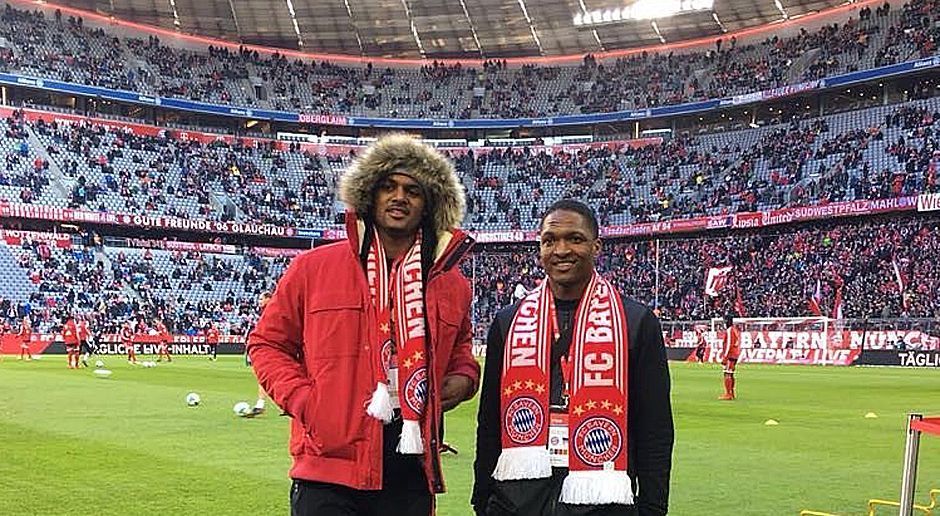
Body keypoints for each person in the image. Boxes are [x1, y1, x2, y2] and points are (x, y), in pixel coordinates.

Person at [248, 133, 480, 516]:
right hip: (329, 468)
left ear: (429, 205)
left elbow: (461, 348)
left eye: (413, 190)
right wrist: (307, 403)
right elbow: (267, 344)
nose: (399, 197)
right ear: (370, 196)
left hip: (411, 468)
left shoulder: (450, 281)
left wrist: (465, 376)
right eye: (388, 186)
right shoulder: (313, 268)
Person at [472, 200, 674, 516]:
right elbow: (489, 421)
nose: (561, 249)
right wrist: (482, 497)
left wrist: (653, 506)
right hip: (516, 502)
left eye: (575, 239)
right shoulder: (508, 322)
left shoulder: (635, 322)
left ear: (596, 247)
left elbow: (655, 427)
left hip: (600, 503)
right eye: (549, 240)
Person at [718, 314, 740, 401]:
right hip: (734, 354)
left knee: (727, 373)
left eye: (724, 321)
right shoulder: (734, 330)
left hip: (731, 355)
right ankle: (731, 393)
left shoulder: (730, 330)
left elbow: (729, 344)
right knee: (730, 373)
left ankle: (728, 394)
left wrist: (725, 357)